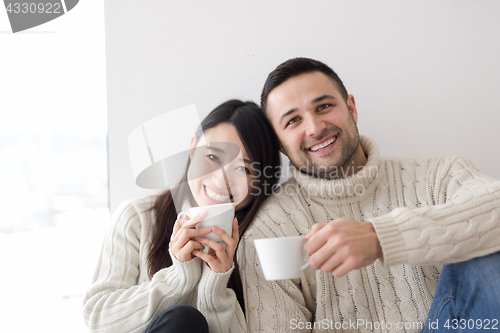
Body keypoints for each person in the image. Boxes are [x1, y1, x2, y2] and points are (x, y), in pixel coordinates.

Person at [237, 58, 500, 332]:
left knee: (488, 250)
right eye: (293, 120)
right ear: (279, 143)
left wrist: (381, 237)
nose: (314, 128)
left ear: (351, 108)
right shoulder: (269, 230)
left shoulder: (438, 176)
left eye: (324, 106)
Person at [82, 100, 281, 333]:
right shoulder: (137, 219)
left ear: (260, 182)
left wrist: (215, 285)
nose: (221, 179)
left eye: (243, 169)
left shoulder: (261, 240)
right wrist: (177, 278)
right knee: (182, 319)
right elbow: (97, 317)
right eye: (213, 157)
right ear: (192, 148)